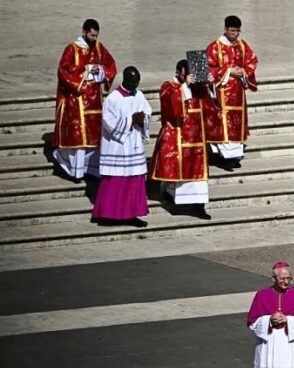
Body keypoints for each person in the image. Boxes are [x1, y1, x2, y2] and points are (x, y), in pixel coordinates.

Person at [53, 19, 117, 182]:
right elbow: (63, 72)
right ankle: (75, 171)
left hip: (95, 101)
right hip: (77, 101)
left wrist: (101, 70)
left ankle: (92, 170)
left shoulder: (99, 48)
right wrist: (86, 72)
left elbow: (111, 66)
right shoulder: (71, 49)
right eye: (91, 35)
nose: (94, 39)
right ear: (84, 32)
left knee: (94, 138)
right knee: (79, 138)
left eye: (96, 35)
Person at [150, 59, 213, 220]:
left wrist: (210, 84)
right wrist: (184, 86)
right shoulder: (168, 86)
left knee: (199, 176)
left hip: (196, 139)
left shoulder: (197, 87)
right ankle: (177, 200)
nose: (190, 78)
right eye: (186, 75)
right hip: (178, 136)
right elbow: (171, 106)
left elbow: (210, 104)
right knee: (178, 173)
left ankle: (199, 206)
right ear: (179, 72)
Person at [91, 66, 152, 228]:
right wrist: (131, 120)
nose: (136, 85)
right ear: (126, 79)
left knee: (134, 181)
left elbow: (147, 112)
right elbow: (108, 122)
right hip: (117, 146)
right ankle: (107, 215)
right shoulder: (113, 98)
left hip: (134, 144)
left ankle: (131, 215)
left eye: (137, 82)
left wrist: (143, 120)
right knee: (115, 182)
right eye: (134, 82)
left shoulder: (139, 95)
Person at [205, 15, 258, 171]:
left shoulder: (242, 45)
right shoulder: (215, 47)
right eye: (233, 31)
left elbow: (252, 61)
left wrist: (244, 71)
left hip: (238, 94)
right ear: (226, 29)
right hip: (222, 94)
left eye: (237, 31)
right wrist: (228, 71)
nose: (235, 34)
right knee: (224, 126)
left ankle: (234, 157)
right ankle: (223, 158)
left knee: (236, 125)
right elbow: (210, 68)